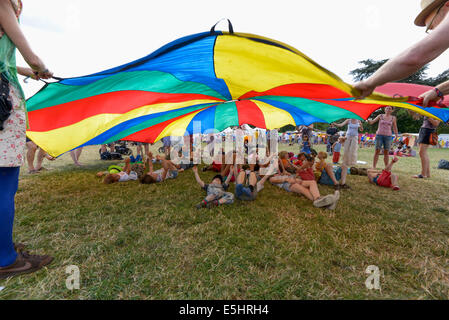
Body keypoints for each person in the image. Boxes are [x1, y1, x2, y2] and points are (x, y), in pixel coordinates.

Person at [0, 0, 54, 279]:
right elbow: (30, 55)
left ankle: (2, 246)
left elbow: (6, 58)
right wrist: (40, 67)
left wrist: (27, 72)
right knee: (5, 182)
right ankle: (5, 259)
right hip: (2, 102)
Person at [333, 119, 363, 188]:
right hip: (348, 136)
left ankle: (351, 162)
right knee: (346, 150)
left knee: (353, 150)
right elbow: (341, 125)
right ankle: (345, 161)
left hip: (355, 136)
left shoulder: (358, 121)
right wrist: (335, 123)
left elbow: (361, 130)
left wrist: (361, 126)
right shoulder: (348, 120)